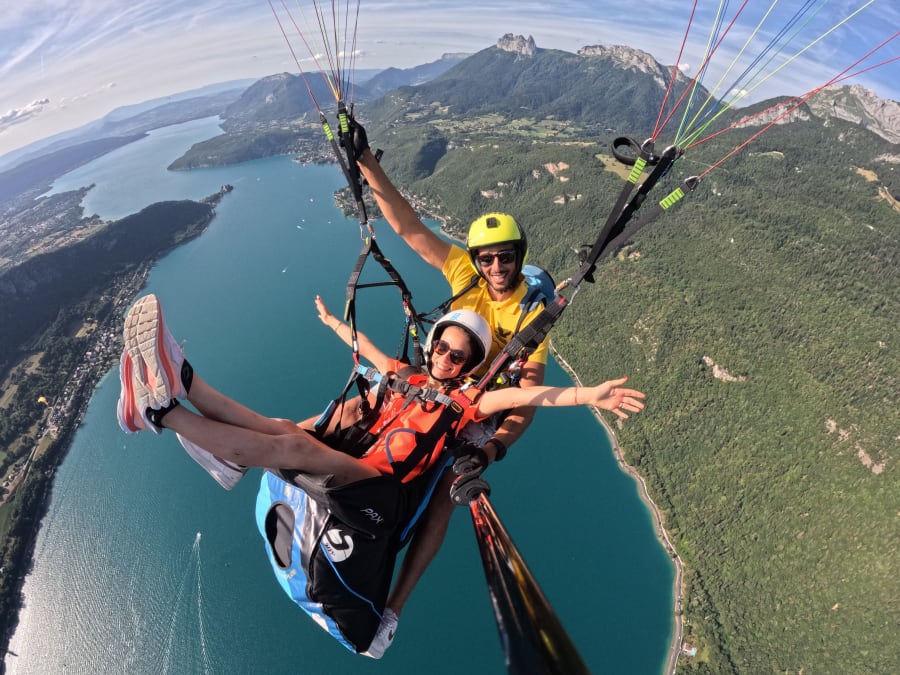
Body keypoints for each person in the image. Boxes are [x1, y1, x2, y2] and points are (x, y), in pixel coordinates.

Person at [117, 293, 646, 657]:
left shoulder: (471, 401)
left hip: (380, 501)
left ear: (469, 365)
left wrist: (589, 396)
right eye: (440, 346)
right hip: (357, 480)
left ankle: (164, 413)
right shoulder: (404, 375)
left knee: (298, 444)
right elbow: (363, 344)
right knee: (287, 430)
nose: (443, 357)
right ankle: (184, 381)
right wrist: (331, 322)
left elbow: (532, 395)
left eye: (457, 356)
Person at [350, 119, 557, 644]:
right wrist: (367, 162)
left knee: (443, 495)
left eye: (504, 256)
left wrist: (490, 454)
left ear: (520, 255)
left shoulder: (531, 320)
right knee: (360, 411)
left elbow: (526, 404)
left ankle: (390, 614)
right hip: (436, 380)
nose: (493, 266)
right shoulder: (465, 274)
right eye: (486, 257)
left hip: (475, 409)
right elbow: (409, 228)